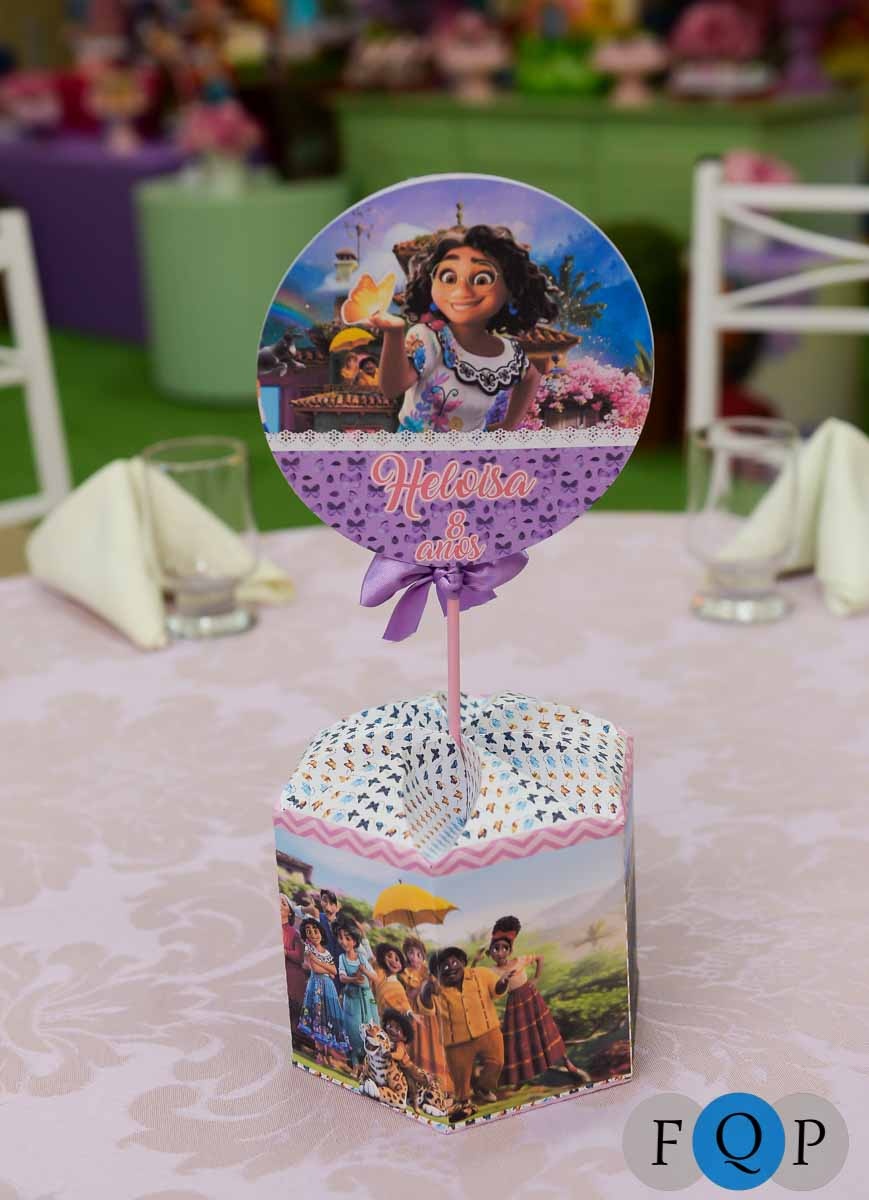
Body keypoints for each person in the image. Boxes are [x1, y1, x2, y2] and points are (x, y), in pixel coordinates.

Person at [368, 224, 558, 433]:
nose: (461, 290)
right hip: (418, 451)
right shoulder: (428, 338)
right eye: (449, 277)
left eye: (482, 279)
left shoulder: (508, 353)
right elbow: (392, 388)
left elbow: (531, 377)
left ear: (510, 288)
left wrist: (509, 424)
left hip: (474, 451)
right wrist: (394, 333)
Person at [475, 915, 590, 1090]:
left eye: (504, 948)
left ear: (510, 950)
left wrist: (536, 978)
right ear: (490, 953)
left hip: (532, 998)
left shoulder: (519, 961)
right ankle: (519, 1079)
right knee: (518, 1040)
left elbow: (540, 958)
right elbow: (473, 975)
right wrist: (476, 960)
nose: (500, 952)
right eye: (496, 949)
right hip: (515, 1005)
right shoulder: (492, 970)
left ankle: (568, 1063)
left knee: (547, 1031)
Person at [421, 946, 509, 1120]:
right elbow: (426, 1009)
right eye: (444, 966)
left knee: (497, 1062)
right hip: (456, 1042)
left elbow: (496, 990)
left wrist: (503, 983)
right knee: (460, 1077)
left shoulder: (480, 974)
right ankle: (463, 1102)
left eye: (454, 963)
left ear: (462, 962)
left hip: (488, 1030)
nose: (450, 968)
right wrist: (426, 991)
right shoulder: (436, 988)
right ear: (438, 972)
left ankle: (483, 1087)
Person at [401, 936, 452, 1094]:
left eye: (418, 954)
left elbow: (437, 990)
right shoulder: (405, 972)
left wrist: (433, 981)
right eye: (411, 953)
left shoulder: (427, 971)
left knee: (433, 1043)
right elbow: (408, 993)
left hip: (429, 1014)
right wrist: (420, 987)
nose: (414, 957)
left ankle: (439, 1084)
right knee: (416, 1042)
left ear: (423, 956)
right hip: (413, 1010)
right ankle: (417, 1080)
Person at [297, 918, 350, 1068]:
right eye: (309, 932)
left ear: (321, 932)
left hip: (329, 988)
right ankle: (320, 1052)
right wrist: (324, 967)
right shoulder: (309, 949)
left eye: (316, 931)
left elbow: (334, 971)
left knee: (328, 1019)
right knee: (317, 1018)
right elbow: (316, 969)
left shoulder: (326, 952)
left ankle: (328, 1054)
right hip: (317, 986)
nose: (313, 934)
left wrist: (318, 962)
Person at [337, 924, 378, 1074]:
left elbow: (375, 977)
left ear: (354, 942)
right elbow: (342, 977)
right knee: (353, 1029)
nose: (343, 941)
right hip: (352, 998)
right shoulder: (342, 958)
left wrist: (364, 970)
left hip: (366, 999)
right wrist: (354, 979)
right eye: (341, 938)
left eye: (347, 938)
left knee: (370, 1028)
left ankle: (367, 1067)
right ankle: (354, 1064)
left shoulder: (361, 958)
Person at [280, 894, 307, 1038]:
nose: (279, 904)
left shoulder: (293, 933)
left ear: (290, 913)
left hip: (291, 982)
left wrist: (285, 951)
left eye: (283, 903)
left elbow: (299, 957)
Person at [372, 944, 417, 1025]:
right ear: (382, 959)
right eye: (389, 956)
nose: (394, 961)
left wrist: (410, 1013)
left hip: (393, 1024)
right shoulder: (381, 980)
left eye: (397, 959)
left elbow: (404, 1004)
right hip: (378, 1020)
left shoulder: (397, 986)